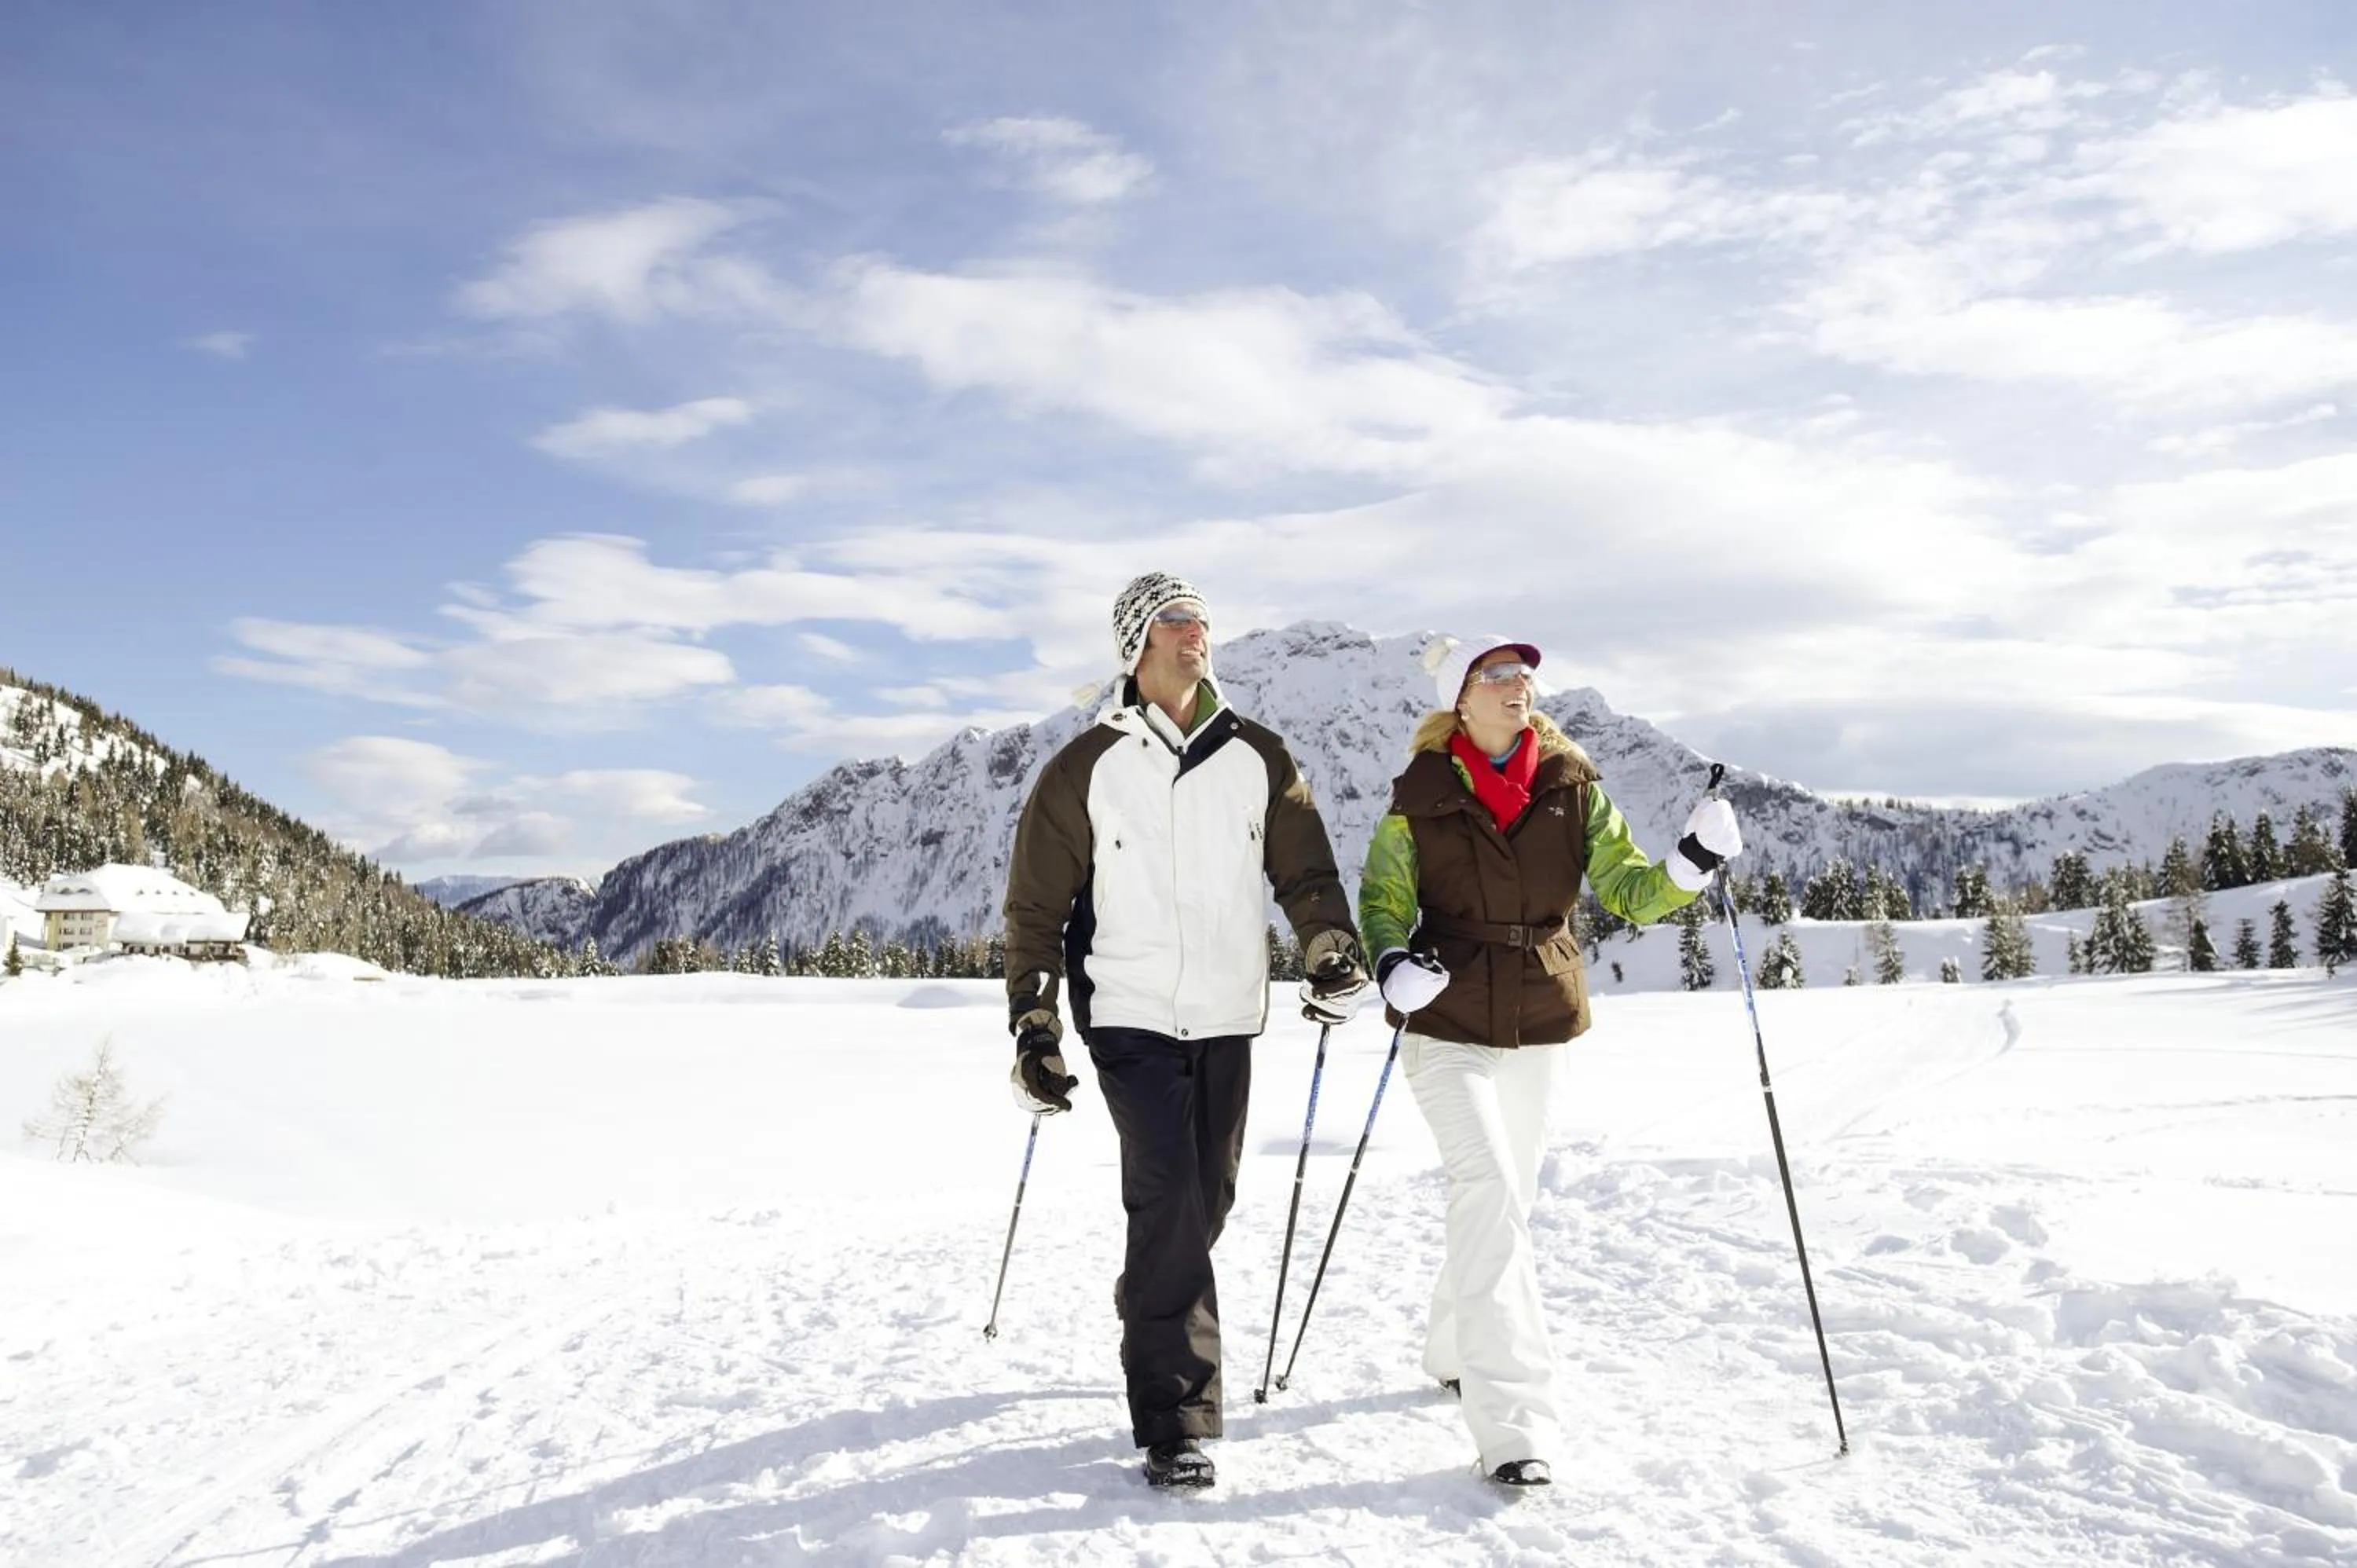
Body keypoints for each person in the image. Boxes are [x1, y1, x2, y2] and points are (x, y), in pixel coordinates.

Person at [1002, 571, 1369, 1489]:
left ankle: (1149, 1296)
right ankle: (1176, 1418)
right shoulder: (1084, 767)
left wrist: (1329, 946)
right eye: (1176, 618)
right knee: (1166, 1194)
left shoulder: (1258, 756)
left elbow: (1306, 872)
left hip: (1225, 1013)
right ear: (1137, 642)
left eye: (1203, 618)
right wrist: (1035, 1024)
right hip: (1125, 1012)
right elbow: (1036, 910)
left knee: (1205, 1199)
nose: (1195, 631)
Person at [1356, 634, 1743, 1488]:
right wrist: (1392, 963)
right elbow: (1382, 898)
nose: (1517, 684)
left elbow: (1633, 892)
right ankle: (1514, 1423)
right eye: (1496, 674)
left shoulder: (1573, 788)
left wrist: (1692, 860)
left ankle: (1451, 1345)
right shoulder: (1418, 798)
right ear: (1461, 698)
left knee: (1506, 1201)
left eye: (1524, 673)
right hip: (1446, 1018)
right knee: (1489, 1188)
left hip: (1538, 1017)